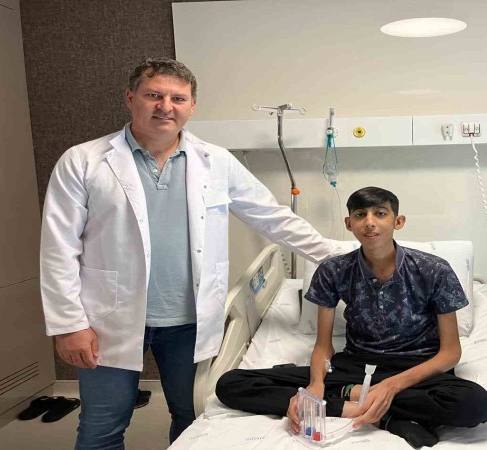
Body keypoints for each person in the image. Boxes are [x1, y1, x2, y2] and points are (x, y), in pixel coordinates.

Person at [40, 57, 342, 449]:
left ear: (192, 105)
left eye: (178, 98)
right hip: (107, 319)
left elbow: (272, 218)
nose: (165, 107)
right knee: (102, 428)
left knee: (192, 418)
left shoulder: (215, 161)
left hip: (189, 321)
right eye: (154, 95)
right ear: (130, 98)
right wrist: (69, 325)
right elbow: (58, 247)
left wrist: (341, 256)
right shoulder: (83, 160)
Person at [216, 187, 487, 448]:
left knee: (475, 404)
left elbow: (450, 354)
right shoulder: (333, 271)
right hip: (356, 367)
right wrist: (315, 386)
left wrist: (389, 387)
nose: (369, 222)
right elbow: (323, 346)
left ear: (398, 221)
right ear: (349, 224)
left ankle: (348, 399)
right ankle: (378, 415)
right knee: (230, 384)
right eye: (360, 215)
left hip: (416, 369)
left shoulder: (434, 270)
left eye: (380, 213)